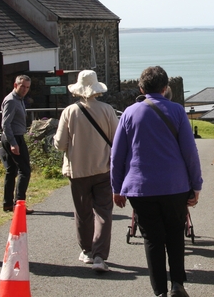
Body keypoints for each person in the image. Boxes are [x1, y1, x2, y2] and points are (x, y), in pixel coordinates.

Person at [111, 66, 203, 297]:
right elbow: (190, 152)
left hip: (141, 188)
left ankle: (160, 291)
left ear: (141, 88)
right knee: (174, 234)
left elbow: (117, 155)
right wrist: (196, 185)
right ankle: (178, 285)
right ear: (165, 88)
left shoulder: (129, 113)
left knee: (152, 239)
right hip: (175, 186)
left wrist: (116, 187)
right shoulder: (177, 111)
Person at [53, 70, 119, 272]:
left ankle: (87, 251)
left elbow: (60, 144)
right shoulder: (108, 110)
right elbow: (117, 139)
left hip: (78, 170)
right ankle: (100, 256)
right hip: (103, 168)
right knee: (104, 212)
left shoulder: (69, 112)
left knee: (83, 213)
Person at [1, 75, 33, 214]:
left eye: (27, 87)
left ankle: (8, 204)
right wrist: (13, 143)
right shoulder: (12, 101)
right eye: (22, 86)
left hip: (14, 136)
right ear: (15, 85)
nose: (25, 89)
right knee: (25, 171)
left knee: (11, 170)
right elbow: (5, 124)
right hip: (13, 137)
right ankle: (19, 204)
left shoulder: (19, 99)